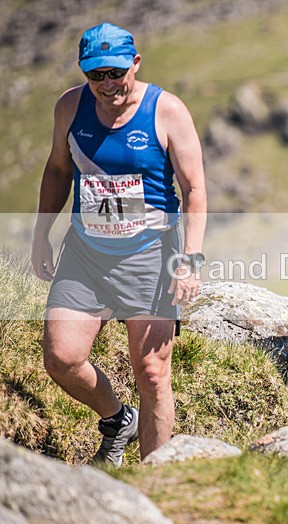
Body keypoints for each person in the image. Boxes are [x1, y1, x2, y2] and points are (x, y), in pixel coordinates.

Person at [30, 22, 207, 466]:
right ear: (83, 73)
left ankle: (156, 483)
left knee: (152, 374)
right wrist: (40, 235)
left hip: (151, 255)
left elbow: (195, 190)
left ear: (136, 63)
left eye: (115, 72)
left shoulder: (166, 111)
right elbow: (57, 171)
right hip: (86, 254)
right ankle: (116, 418)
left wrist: (190, 259)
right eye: (96, 75)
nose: (107, 84)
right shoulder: (70, 107)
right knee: (61, 359)